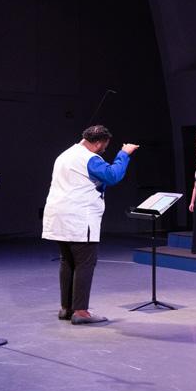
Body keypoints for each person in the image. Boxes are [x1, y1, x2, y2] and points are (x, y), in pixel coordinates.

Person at [42, 125, 139, 324]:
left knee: (67, 262)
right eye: (105, 146)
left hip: (58, 217)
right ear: (97, 143)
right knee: (84, 263)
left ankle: (67, 308)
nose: (104, 150)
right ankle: (81, 311)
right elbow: (112, 175)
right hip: (78, 218)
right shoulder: (89, 158)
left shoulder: (64, 155)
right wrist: (124, 154)